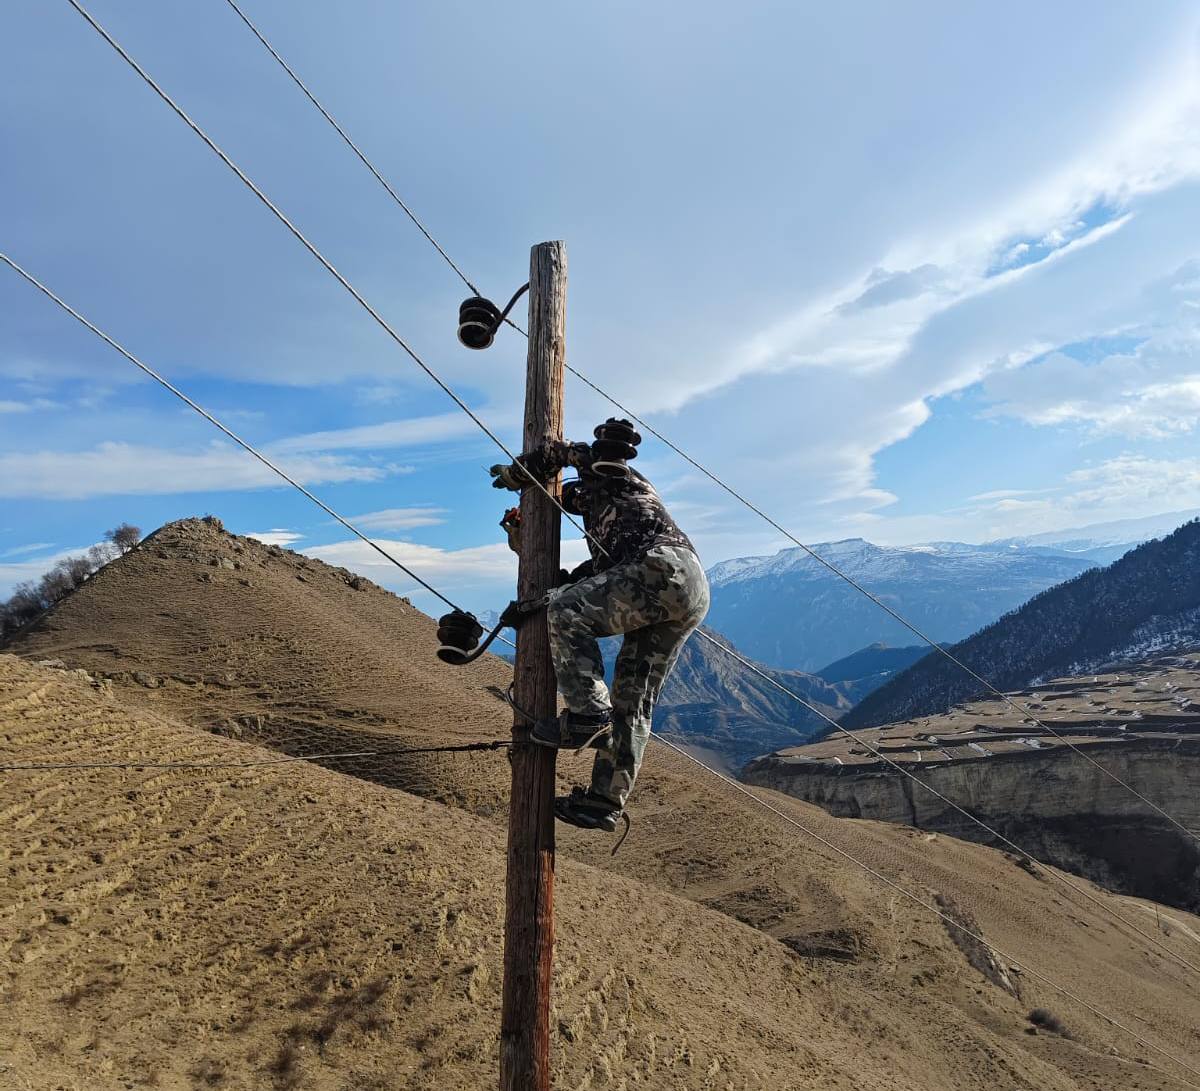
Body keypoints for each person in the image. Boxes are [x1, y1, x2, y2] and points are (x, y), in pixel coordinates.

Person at [489, 431, 709, 833]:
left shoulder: (616, 475)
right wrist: (525, 544)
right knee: (634, 696)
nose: (576, 503)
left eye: (575, 497)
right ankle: (604, 801)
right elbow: (576, 584)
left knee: (568, 612)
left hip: (662, 567)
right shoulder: (612, 538)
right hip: (686, 586)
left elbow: (568, 453)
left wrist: (519, 472)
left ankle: (588, 715)